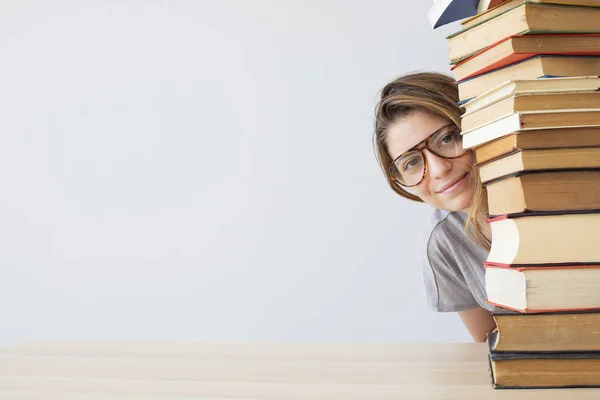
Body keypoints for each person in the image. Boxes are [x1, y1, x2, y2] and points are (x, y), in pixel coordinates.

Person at [373, 71, 497, 342]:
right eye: (412, 163)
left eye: (448, 137)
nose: (440, 169)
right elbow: (488, 345)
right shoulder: (443, 242)